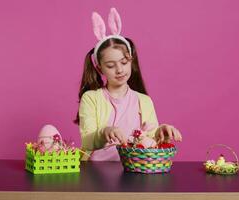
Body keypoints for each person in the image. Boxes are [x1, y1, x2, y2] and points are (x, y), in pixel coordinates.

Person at [74, 8, 182, 161]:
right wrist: (104, 132)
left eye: (124, 63)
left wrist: (160, 133)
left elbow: (150, 141)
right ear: (100, 68)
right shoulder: (91, 98)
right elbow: (87, 141)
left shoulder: (143, 101)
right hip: (98, 170)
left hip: (134, 168)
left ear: (131, 60)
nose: (119, 70)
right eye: (111, 66)